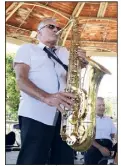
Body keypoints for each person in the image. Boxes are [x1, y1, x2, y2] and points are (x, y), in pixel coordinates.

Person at [13, 18, 88, 165]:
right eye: (51, 26)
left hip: (64, 118)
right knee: (32, 160)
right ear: (39, 32)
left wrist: (80, 64)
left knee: (64, 161)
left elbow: (71, 79)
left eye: (58, 28)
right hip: (35, 114)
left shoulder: (64, 52)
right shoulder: (27, 48)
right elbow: (21, 80)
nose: (56, 30)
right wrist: (46, 97)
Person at [84, 97, 117, 165]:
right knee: (92, 155)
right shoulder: (89, 119)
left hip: (108, 145)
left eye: (103, 105)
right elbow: (87, 138)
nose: (102, 107)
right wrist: (100, 148)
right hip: (93, 145)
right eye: (99, 105)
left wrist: (114, 143)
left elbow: (113, 135)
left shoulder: (109, 119)